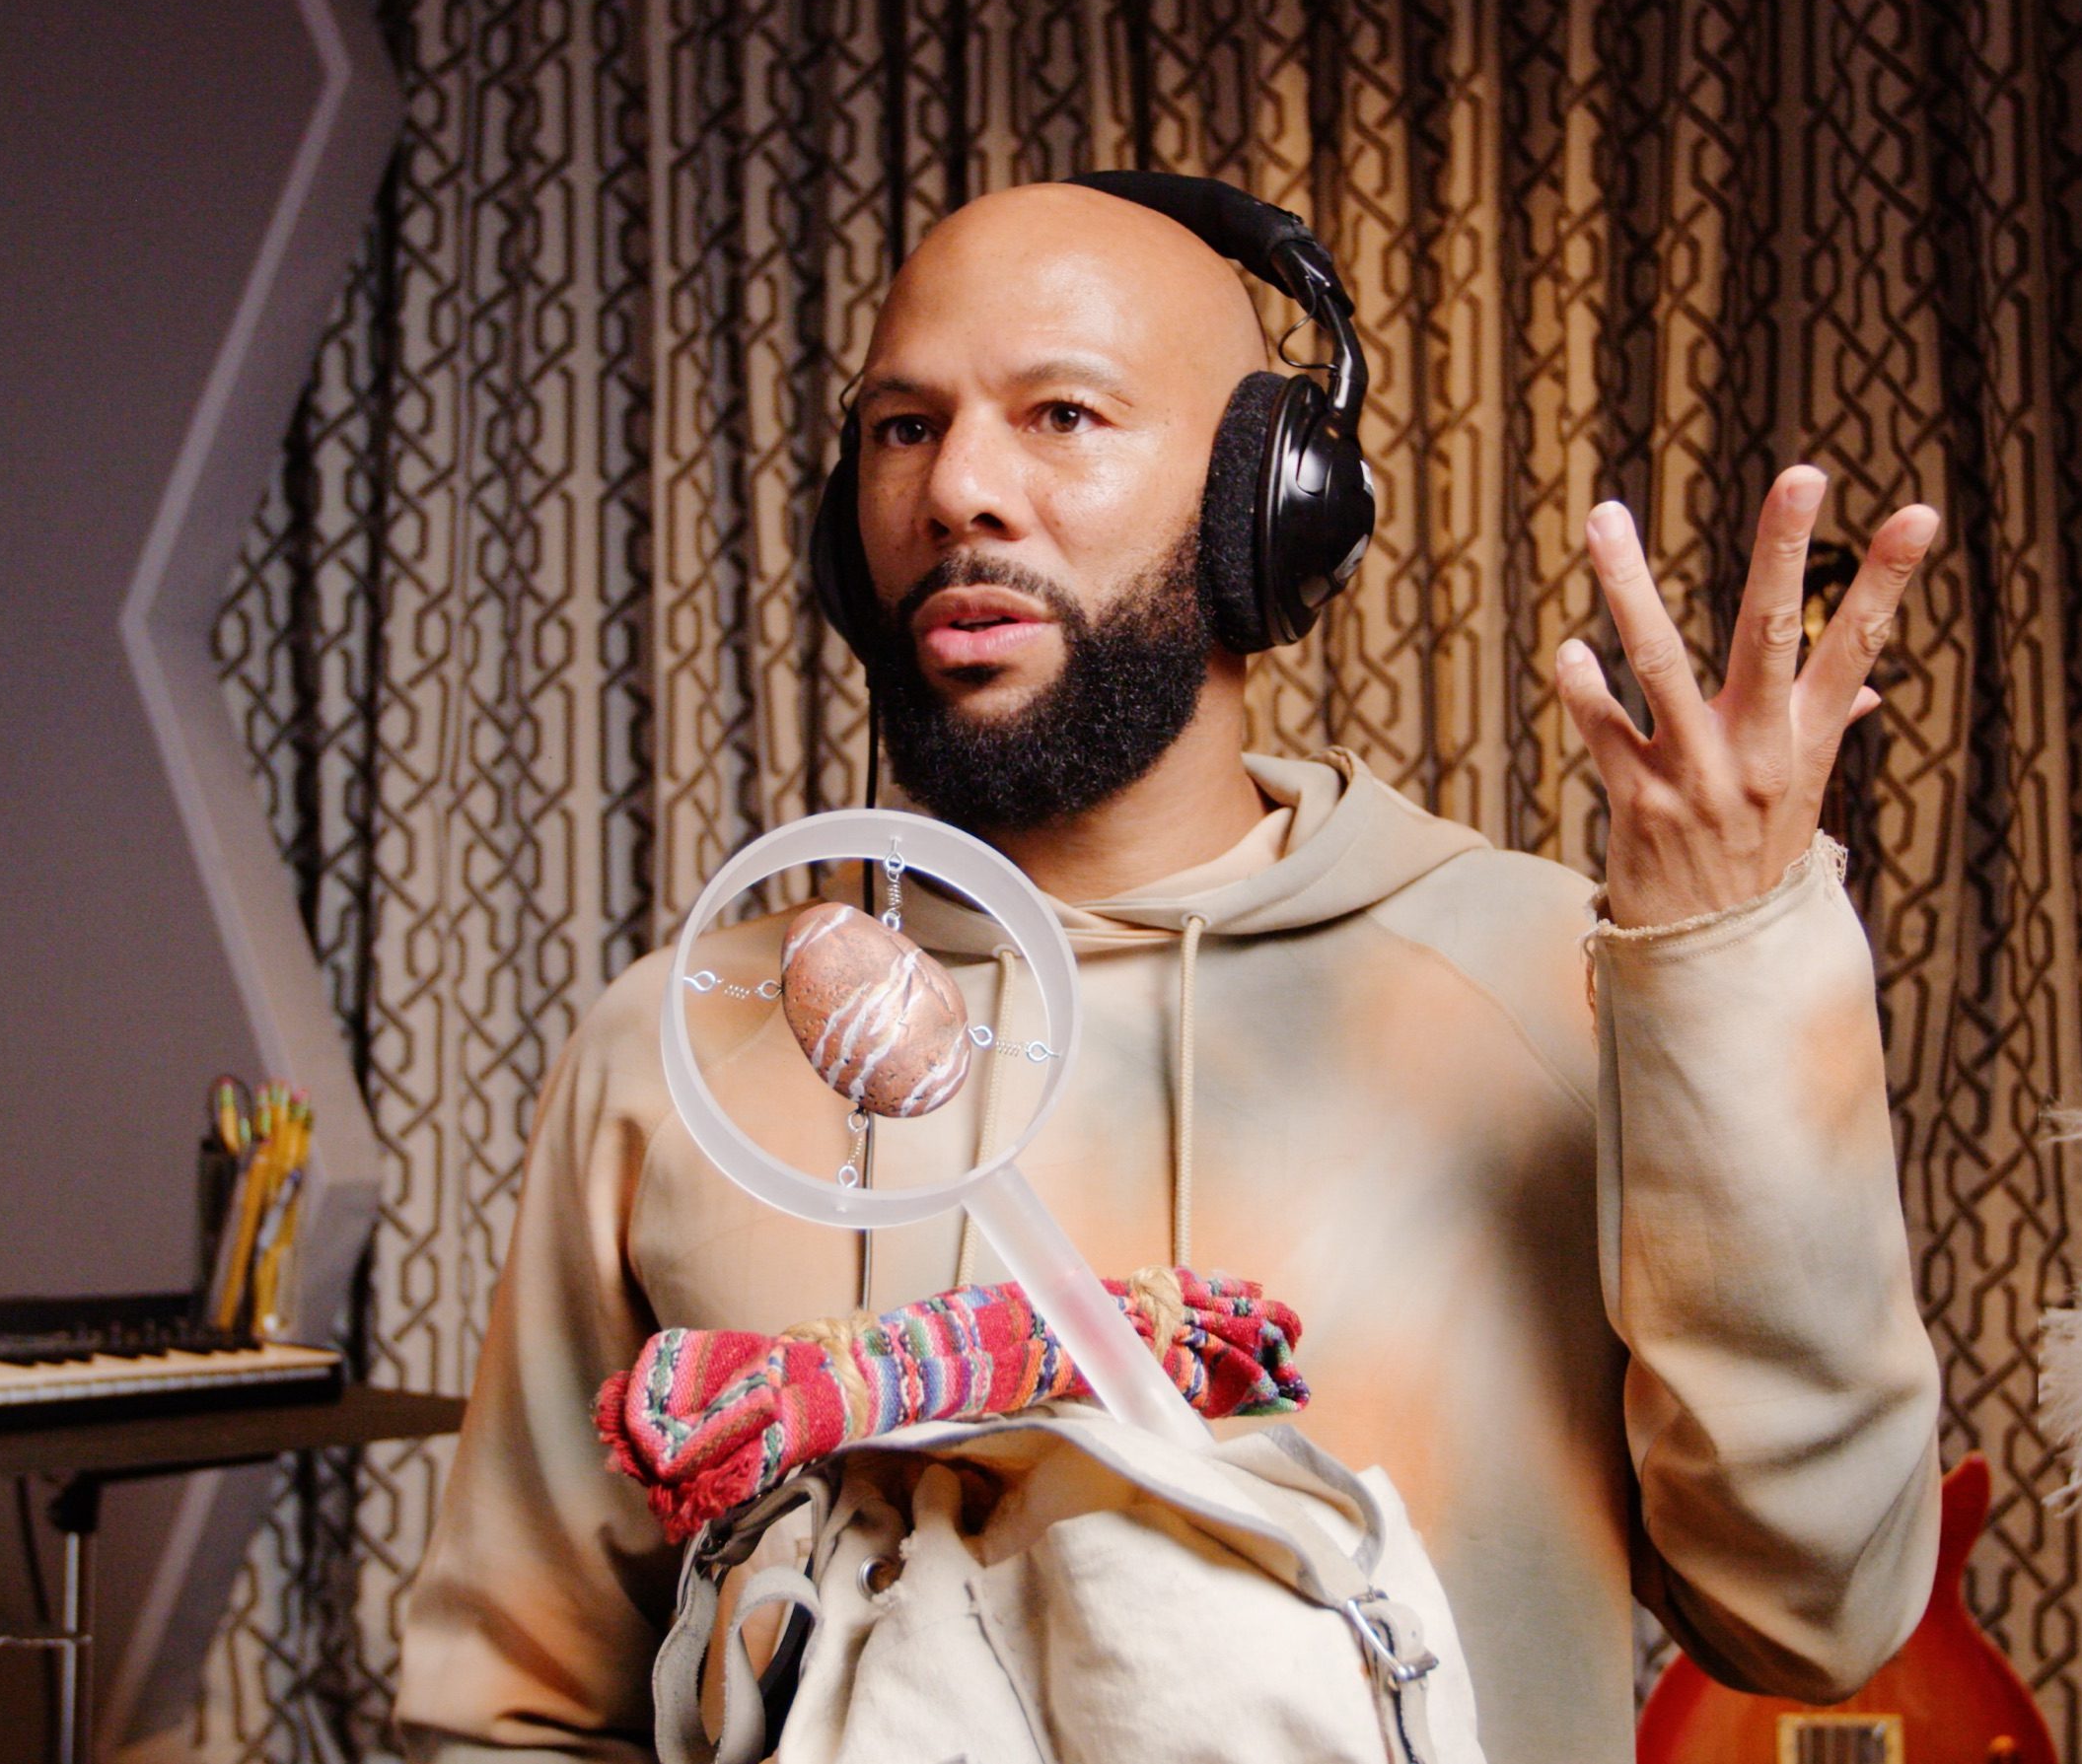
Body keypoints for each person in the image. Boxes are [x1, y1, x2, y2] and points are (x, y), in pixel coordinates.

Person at [395, 177, 1947, 1761]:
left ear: (1264, 503)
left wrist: (1724, 965)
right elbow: (506, 1713)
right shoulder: (672, 1054)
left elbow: (1815, 1611)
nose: (958, 491)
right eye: (902, 427)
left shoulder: (1558, 980)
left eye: (1061, 414)